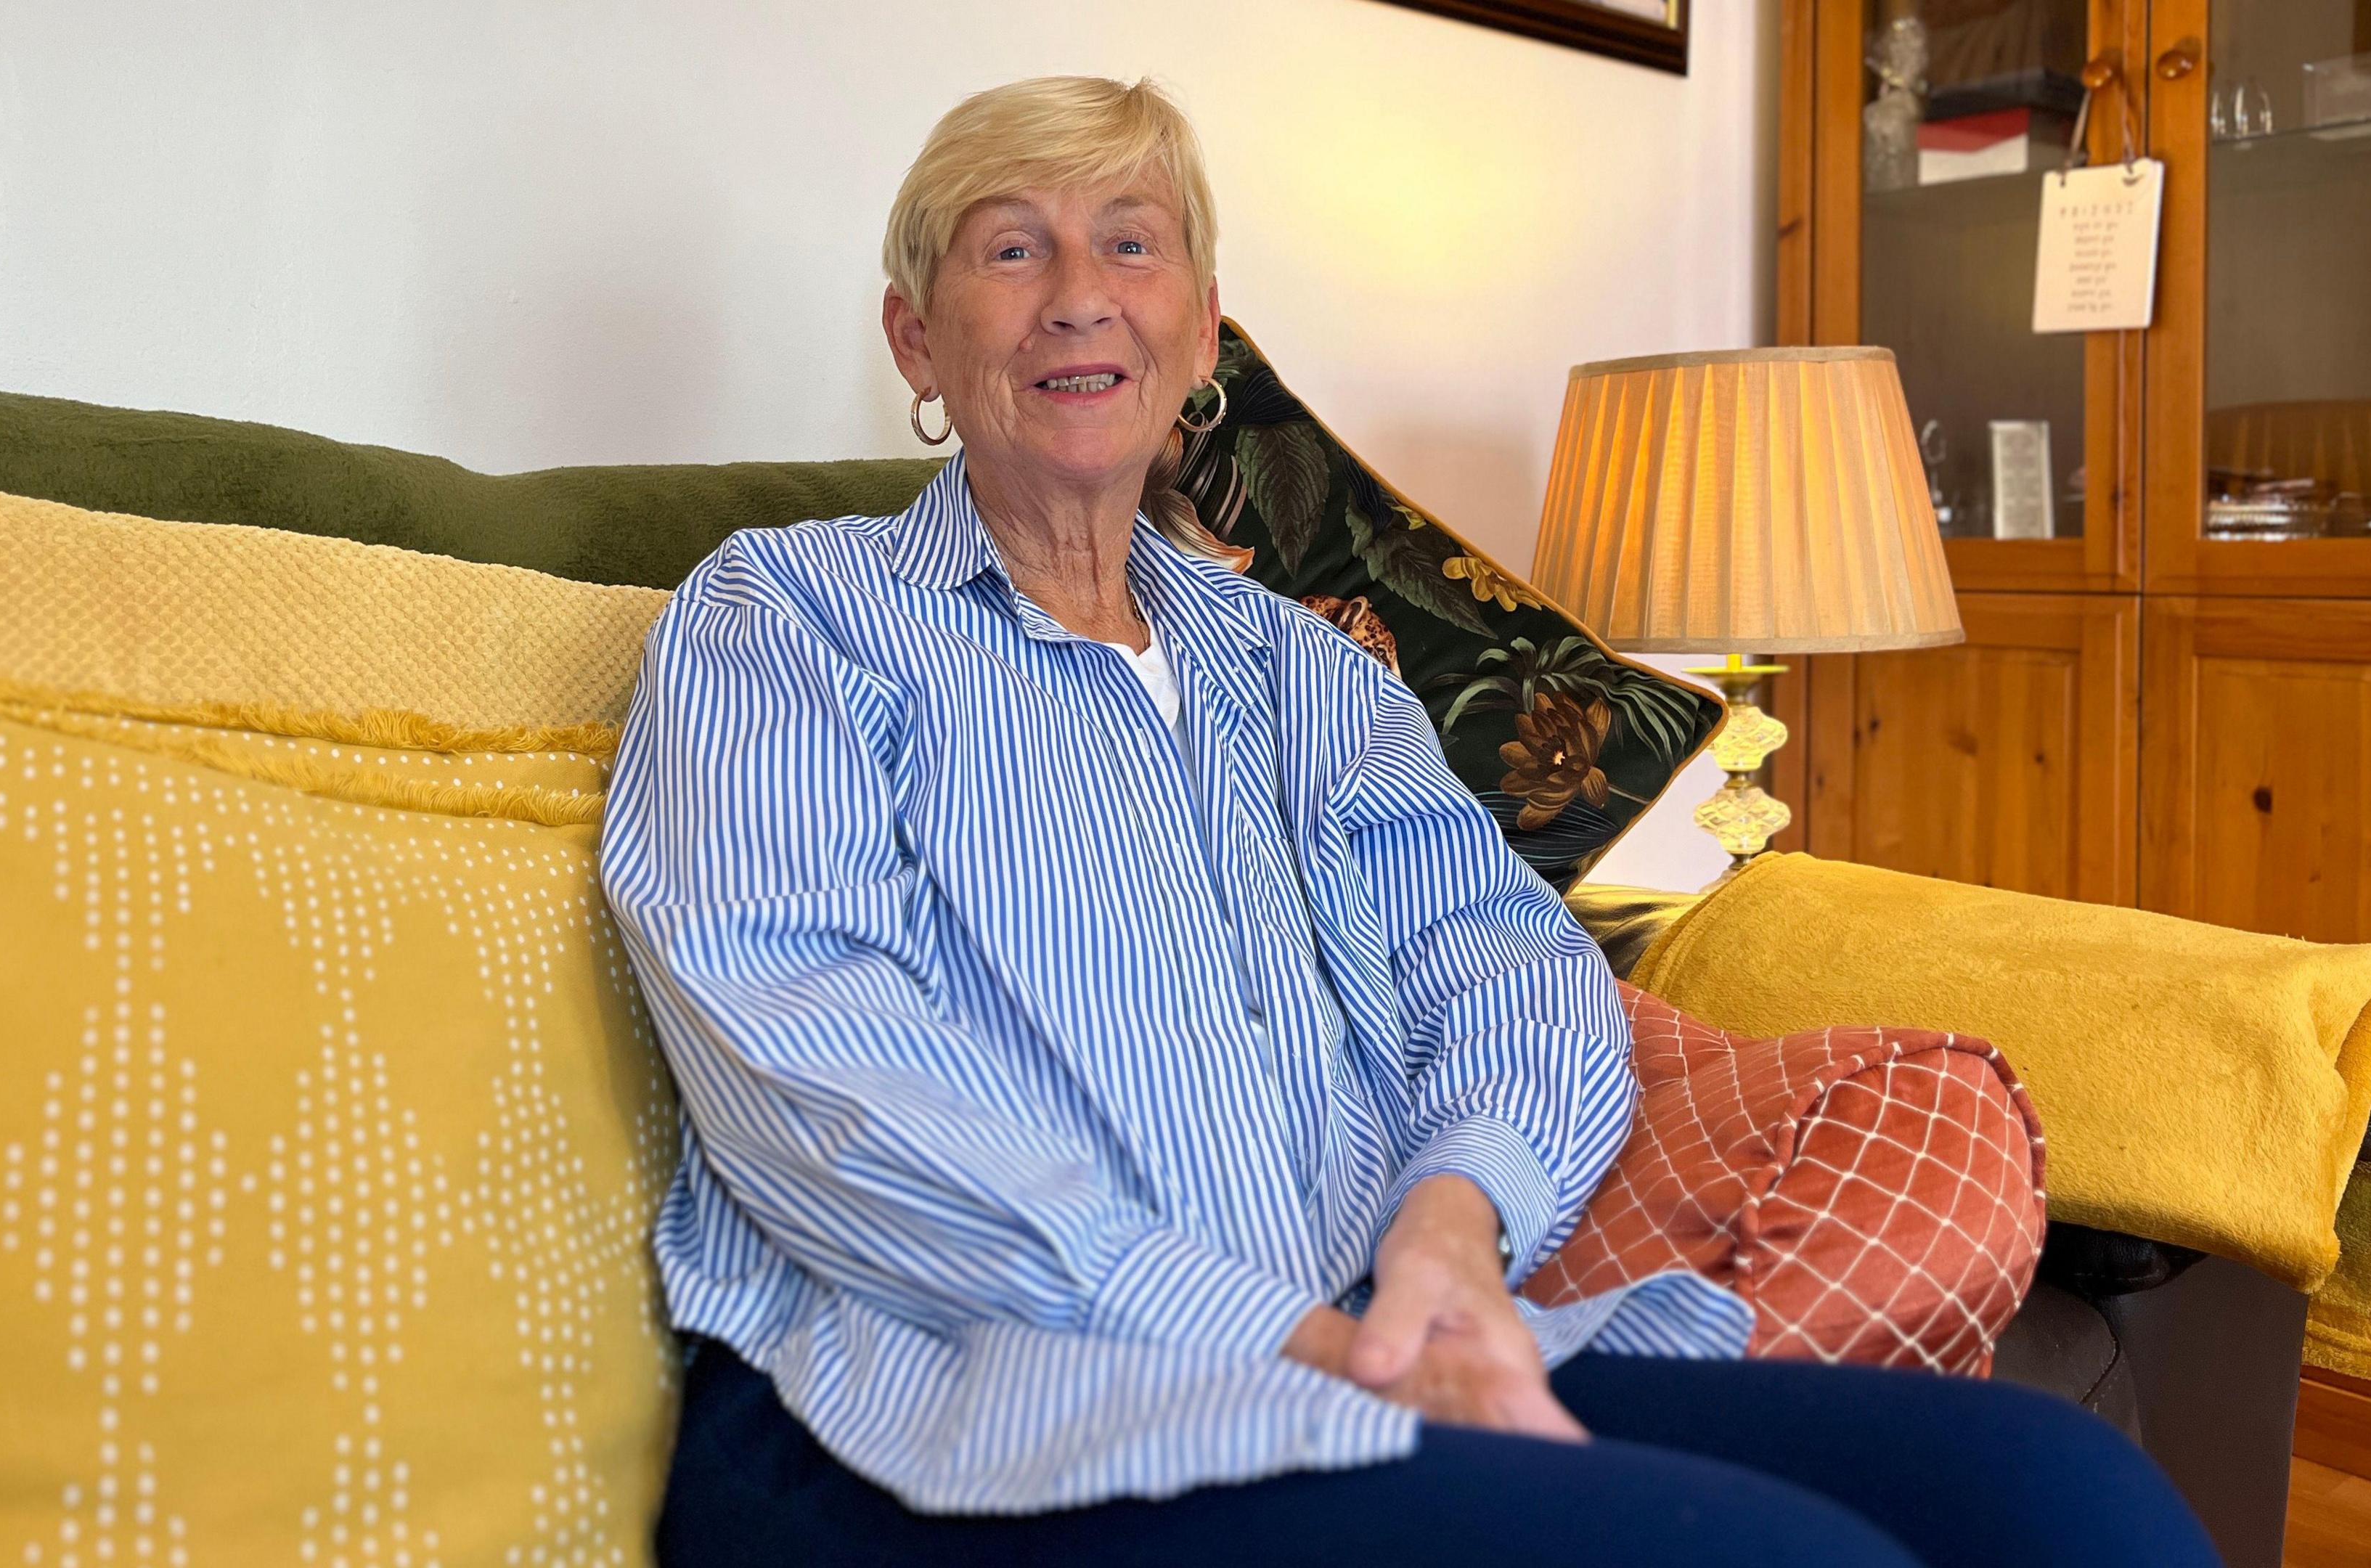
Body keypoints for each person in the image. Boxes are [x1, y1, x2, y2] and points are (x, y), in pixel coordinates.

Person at [598, 74, 2216, 1567]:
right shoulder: (786, 621)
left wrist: (1454, 1233)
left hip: (1367, 1347)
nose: (1081, 291)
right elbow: (819, 1070)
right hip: (963, 1407)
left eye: (1133, 243)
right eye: (1010, 248)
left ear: (1201, 324)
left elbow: (1509, 966)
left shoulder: (1296, 667)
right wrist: (1287, 1342)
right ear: (915, 339)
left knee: (2062, 1499)